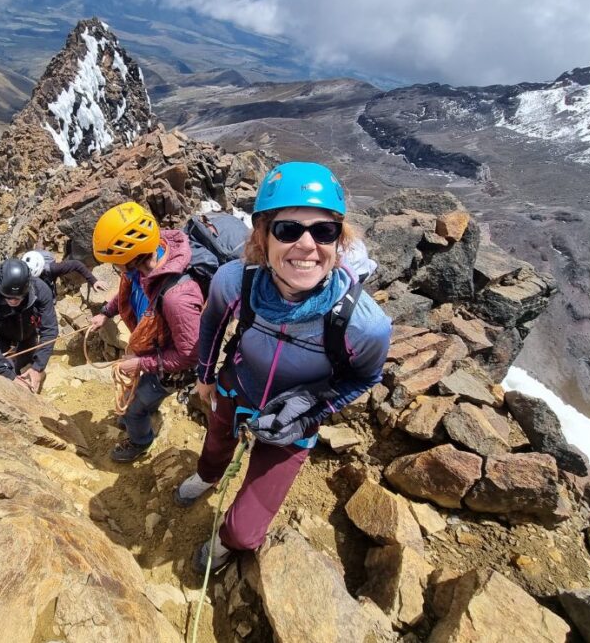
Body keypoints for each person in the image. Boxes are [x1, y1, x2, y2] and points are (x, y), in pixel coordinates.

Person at [175, 161, 392, 572]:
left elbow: (364, 375)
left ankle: (225, 543)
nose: (307, 245)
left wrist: (313, 406)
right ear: (263, 237)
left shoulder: (364, 324)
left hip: (295, 421)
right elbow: (212, 325)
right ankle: (207, 477)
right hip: (235, 387)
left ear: (338, 240)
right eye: (288, 229)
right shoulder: (234, 281)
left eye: (323, 230)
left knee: (244, 532)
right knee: (216, 445)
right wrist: (205, 378)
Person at [89, 201, 204, 462]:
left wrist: (140, 363)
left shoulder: (177, 297)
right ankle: (141, 412)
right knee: (137, 399)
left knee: (133, 411)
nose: (115, 268)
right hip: (153, 349)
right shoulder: (148, 257)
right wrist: (105, 314)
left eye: (115, 263)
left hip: (171, 369)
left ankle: (140, 441)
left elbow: (188, 356)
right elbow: (125, 295)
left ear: (130, 260)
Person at [0, 257, 58, 393]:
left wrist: (37, 368)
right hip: (2, 335)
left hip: (28, 332)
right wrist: (10, 376)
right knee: (8, 379)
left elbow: (49, 330)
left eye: (19, 297)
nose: (13, 301)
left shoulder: (40, 289)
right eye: (8, 297)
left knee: (27, 370)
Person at [21, 249, 109, 295]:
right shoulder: (20, 275)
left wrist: (94, 281)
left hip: (48, 269)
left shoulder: (52, 268)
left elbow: (76, 264)